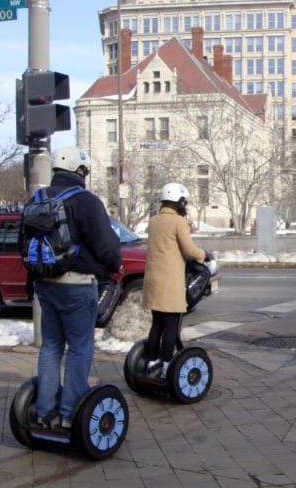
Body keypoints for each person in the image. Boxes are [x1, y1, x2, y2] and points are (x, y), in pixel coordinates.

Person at [26, 147, 122, 430]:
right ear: (80, 171)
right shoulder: (86, 201)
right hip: (77, 285)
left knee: (51, 346)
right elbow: (107, 246)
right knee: (80, 348)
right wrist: (114, 265)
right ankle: (70, 415)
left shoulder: (37, 198)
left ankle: (45, 412)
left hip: (45, 284)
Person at [142, 183, 208, 378]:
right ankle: (165, 366)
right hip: (170, 284)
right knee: (171, 327)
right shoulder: (179, 222)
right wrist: (204, 254)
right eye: (184, 202)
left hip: (153, 282)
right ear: (178, 202)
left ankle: (151, 361)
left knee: (157, 325)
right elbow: (188, 249)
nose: (184, 206)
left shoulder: (154, 221)